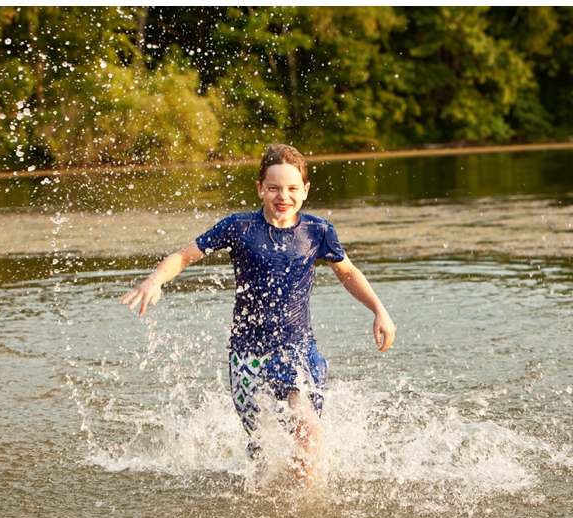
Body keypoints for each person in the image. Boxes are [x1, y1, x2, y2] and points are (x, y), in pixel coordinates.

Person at [120, 142, 396, 476]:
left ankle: (303, 509)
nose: (284, 196)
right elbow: (183, 256)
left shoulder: (318, 232)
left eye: (293, 188)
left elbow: (348, 272)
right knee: (263, 450)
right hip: (247, 354)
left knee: (306, 431)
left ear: (305, 191)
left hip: (297, 347)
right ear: (260, 189)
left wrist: (379, 309)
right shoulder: (239, 228)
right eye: (275, 188)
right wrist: (154, 281)